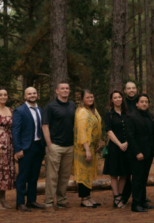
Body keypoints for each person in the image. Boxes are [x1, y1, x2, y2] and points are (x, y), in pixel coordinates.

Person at [42, 82, 76, 211]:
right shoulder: (51, 107)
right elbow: (45, 126)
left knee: (65, 176)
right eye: (62, 89)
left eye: (67, 88)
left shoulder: (72, 105)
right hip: (55, 145)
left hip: (69, 146)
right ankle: (48, 203)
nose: (65, 90)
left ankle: (61, 200)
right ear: (57, 91)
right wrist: (49, 144)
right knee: (52, 176)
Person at [13, 87, 45, 212]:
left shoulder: (40, 110)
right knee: (23, 176)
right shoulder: (19, 111)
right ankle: (20, 203)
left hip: (38, 146)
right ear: (25, 96)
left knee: (34, 176)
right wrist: (18, 149)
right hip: (26, 148)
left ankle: (31, 200)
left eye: (34, 93)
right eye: (29, 94)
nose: (32, 95)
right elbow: (15, 131)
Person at [73, 89, 103, 208]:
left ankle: (88, 197)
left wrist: (99, 141)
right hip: (83, 147)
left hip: (92, 145)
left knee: (89, 172)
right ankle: (84, 199)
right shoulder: (82, 112)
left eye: (92, 97)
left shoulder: (92, 110)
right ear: (82, 99)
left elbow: (97, 125)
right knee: (83, 173)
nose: (90, 99)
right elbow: (82, 132)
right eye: (87, 97)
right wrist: (87, 150)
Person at [128, 94, 154, 212]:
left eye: (146, 101)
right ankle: (135, 204)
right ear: (137, 103)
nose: (144, 103)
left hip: (149, 152)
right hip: (138, 154)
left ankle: (143, 201)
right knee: (137, 178)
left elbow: (152, 134)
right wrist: (137, 152)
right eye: (142, 102)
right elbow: (130, 137)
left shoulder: (150, 116)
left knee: (144, 178)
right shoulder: (131, 117)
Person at [103, 91, 132, 208]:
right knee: (114, 173)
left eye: (119, 97)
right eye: (115, 97)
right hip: (115, 147)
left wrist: (127, 143)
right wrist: (120, 144)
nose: (118, 99)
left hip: (127, 146)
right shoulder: (109, 115)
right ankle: (116, 197)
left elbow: (131, 129)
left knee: (124, 173)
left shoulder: (127, 114)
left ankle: (121, 196)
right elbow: (109, 131)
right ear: (111, 100)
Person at [119, 81, 139, 207]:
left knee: (138, 172)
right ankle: (124, 197)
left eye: (133, 88)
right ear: (125, 91)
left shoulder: (140, 102)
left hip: (138, 142)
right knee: (126, 172)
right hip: (124, 142)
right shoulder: (122, 104)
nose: (131, 90)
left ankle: (139, 195)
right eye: (129, 88)